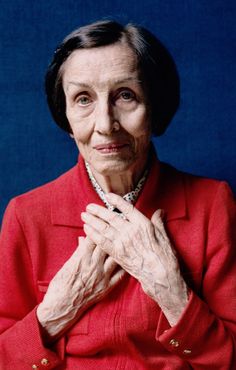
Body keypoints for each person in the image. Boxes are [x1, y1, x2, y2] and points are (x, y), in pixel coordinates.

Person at [0, 19, 235, 370]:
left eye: (125, 95)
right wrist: (53, 313)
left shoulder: (213, 204)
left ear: (155, 105)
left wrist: (171, 289)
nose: (105, 124)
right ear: (64, 115)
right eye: (83, 99)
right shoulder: (25, 214)